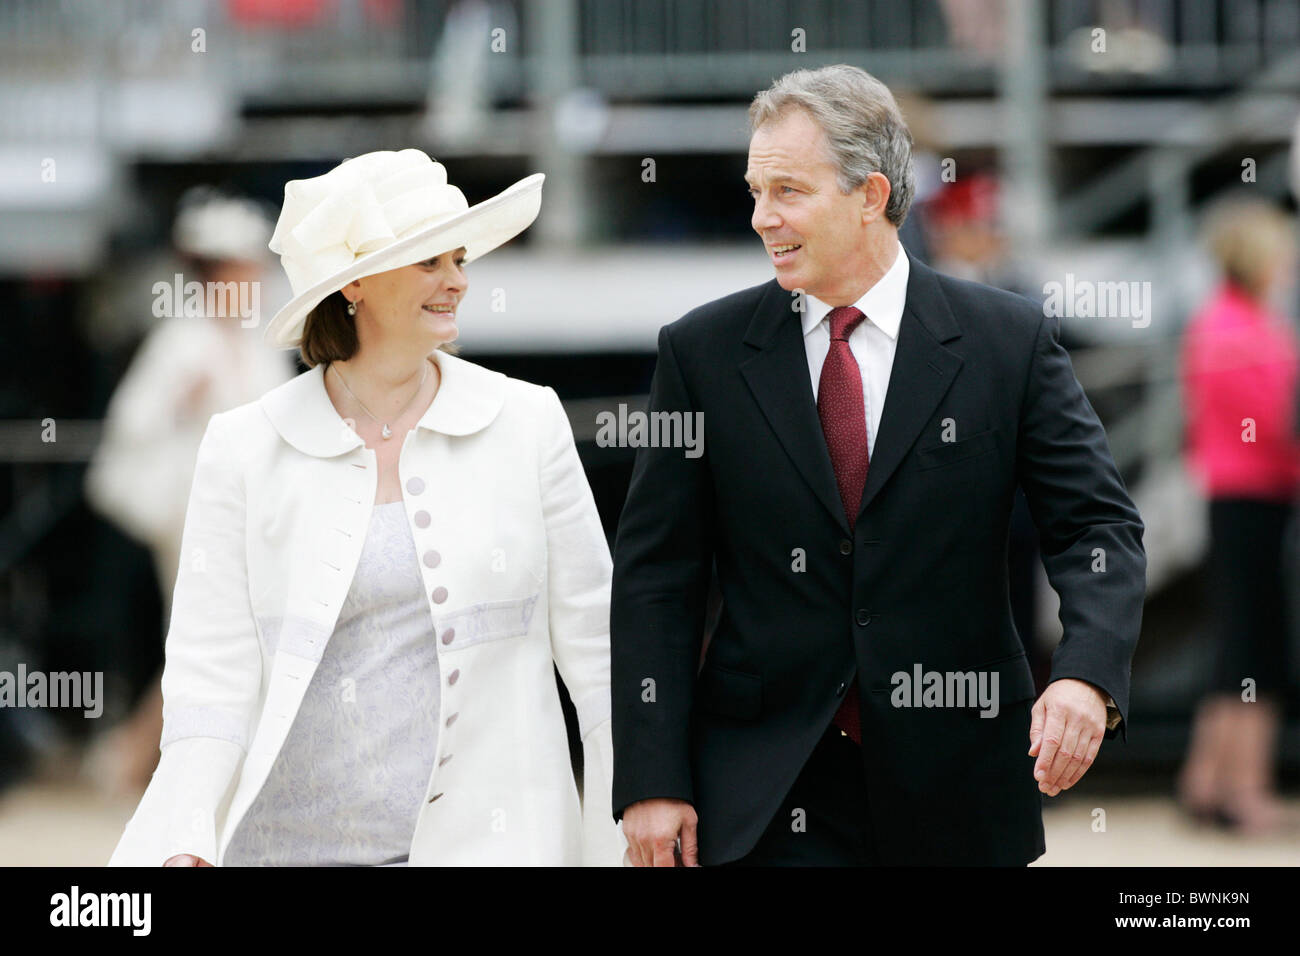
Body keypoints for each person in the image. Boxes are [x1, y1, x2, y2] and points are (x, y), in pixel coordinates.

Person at [610, 65, 1145, 866]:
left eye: (788, 191)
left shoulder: (1009, 342)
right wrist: (652, 777)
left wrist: (1086, 675)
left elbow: (1097, 526)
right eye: (755, 191)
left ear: (870, 194)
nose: (761, 218)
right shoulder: (702, 353)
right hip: (764, 793)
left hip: (957, 787)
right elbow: (658, 577)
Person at [108, 149, 625, 866]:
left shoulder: (528, 422)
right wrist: (186, 832)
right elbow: (211, 678)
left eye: (459, 259)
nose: (458, 282)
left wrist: (626, 826)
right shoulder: (241, 446)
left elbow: (601, 654)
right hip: (289, 852)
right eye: (430, 263)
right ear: (353, 284)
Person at [84, 188, 295, 797]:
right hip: (191, 520)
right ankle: (143, 757)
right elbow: (131, 425)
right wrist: (180, 401)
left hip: (255, 522)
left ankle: (158, 757)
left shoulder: (259, 344)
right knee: (205, 641)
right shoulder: (180, 342)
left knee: (241, 639)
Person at [1176, 197, 1300, 835]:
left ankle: (1206, 780)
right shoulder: (1246, 331)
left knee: (1236, 644)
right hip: (1254, 497)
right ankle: (1245, 789)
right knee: (1256, 647)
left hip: (1236, 496)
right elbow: (1280, 427)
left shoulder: (1222, 323)